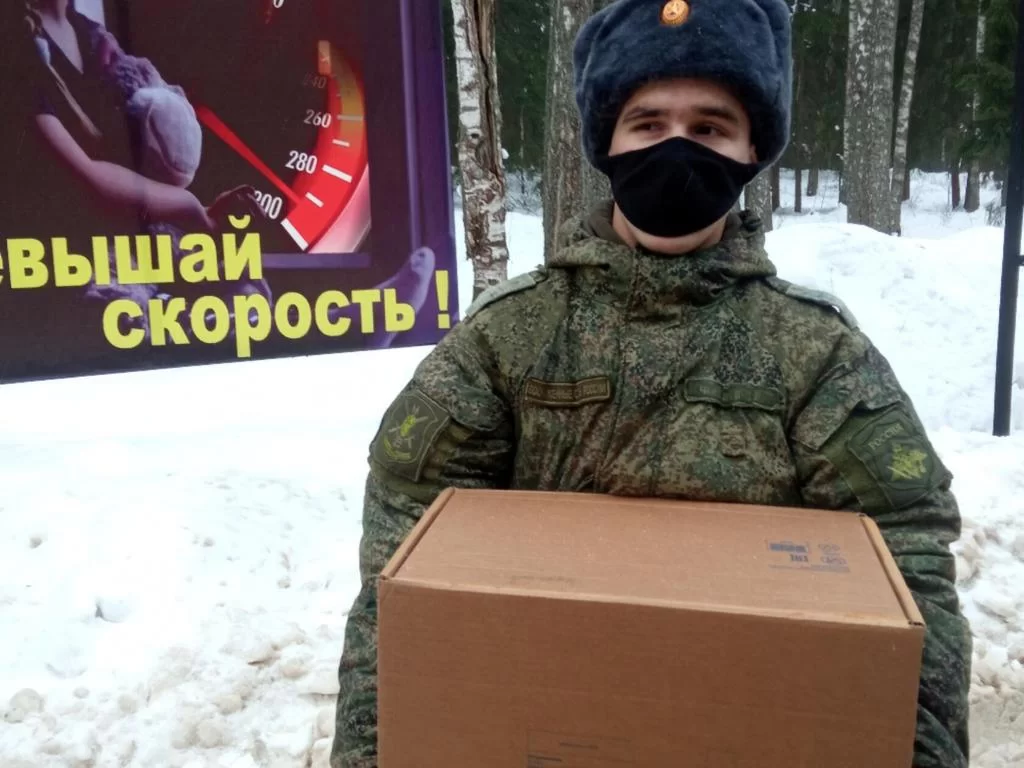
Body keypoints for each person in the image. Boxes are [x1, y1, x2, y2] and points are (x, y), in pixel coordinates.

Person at [329, 1, 972, 766]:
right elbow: (402, 579)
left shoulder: (816, 353)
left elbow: (905, 577)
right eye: (648, 123)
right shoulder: (507, 338)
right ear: (608, 141)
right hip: (545, 725)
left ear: (752, 148)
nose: (676, 148)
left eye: (710, 127)